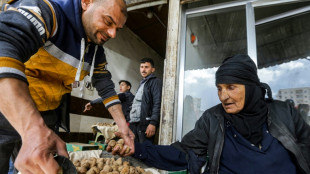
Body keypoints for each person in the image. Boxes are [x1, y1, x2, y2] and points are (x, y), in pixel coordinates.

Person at [109, 54, 310, 174]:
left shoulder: (284, 113)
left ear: (251, 87)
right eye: (219, 88)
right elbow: (182, 152)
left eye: (231, 87)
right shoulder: (213, 119)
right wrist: (138, 148)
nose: (223, 96)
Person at [0, 0, 135, 173]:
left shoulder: (95, 49)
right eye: (108, 22)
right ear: (86, 2)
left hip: (47, 117)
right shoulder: (48, 13)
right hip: (7, 110)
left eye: (118, 28)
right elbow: (4, 43)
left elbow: (104, 83)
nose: (113, 33)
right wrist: (32, 129)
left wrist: (123, 126)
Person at [129, 58, 162, 143]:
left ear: (153, 69)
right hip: (135, 123)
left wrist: (153, 123)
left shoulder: (155, 82)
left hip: (145, 124)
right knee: (135, 150)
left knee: (145, 151)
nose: (143, 70)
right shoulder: (143, 83)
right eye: (141, 67)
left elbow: (157, 102)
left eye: (146, 67)